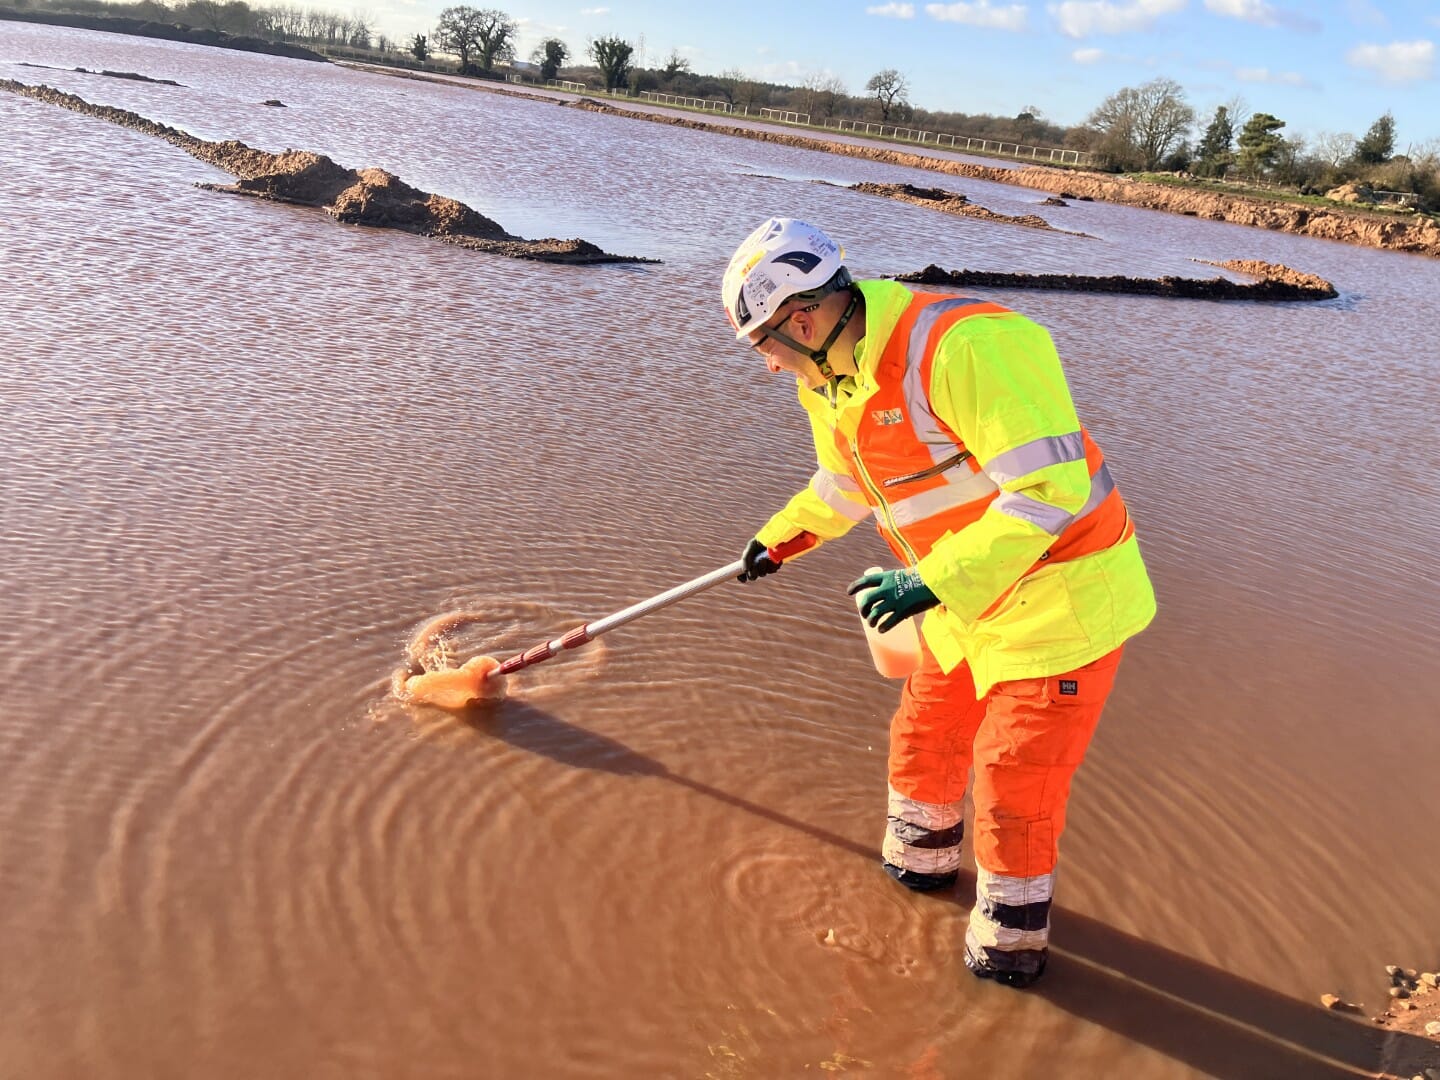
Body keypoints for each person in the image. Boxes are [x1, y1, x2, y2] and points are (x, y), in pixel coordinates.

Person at [724, 218, 1156, 989]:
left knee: (1012, 777)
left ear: (805, 318)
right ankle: (916, 879)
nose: (767, 366)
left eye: (766, 346)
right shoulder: (830, 379)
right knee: (924, 731)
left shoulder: (965, 347)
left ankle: (1008, 950)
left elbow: (1047, 489)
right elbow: (848, 484)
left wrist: (929, 581)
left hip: (1061, 598)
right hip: (967, 596)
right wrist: (780, 539)